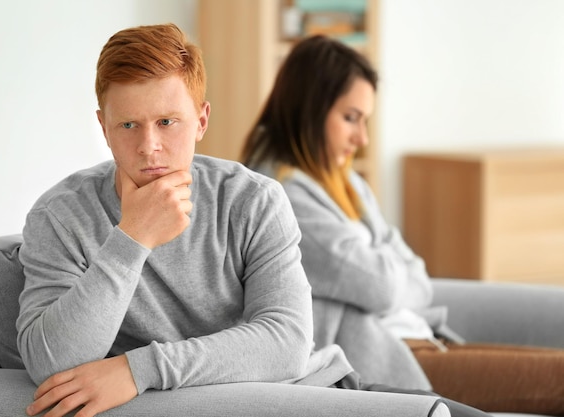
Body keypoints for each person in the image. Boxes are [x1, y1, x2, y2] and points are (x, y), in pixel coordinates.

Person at [16, 23, 483, 417]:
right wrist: (132, 239)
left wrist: (140, 370)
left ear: (201, 121)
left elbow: (287, 342)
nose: (149, 147)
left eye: (167, 122)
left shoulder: (254, 200)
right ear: (103, 127)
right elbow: (49, 362)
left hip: (314, 392)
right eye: (128, 125)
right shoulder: (60, 217)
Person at [240, 34, 564, 416]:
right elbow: (381, 284)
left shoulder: (348, 184)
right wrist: (389, 273)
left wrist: (389, 276)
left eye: (365, 120)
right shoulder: (282, 196)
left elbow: (414, 275)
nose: (361, 138)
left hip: (420, 338)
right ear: (308, 111)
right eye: (350, 118)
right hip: (390, 358)